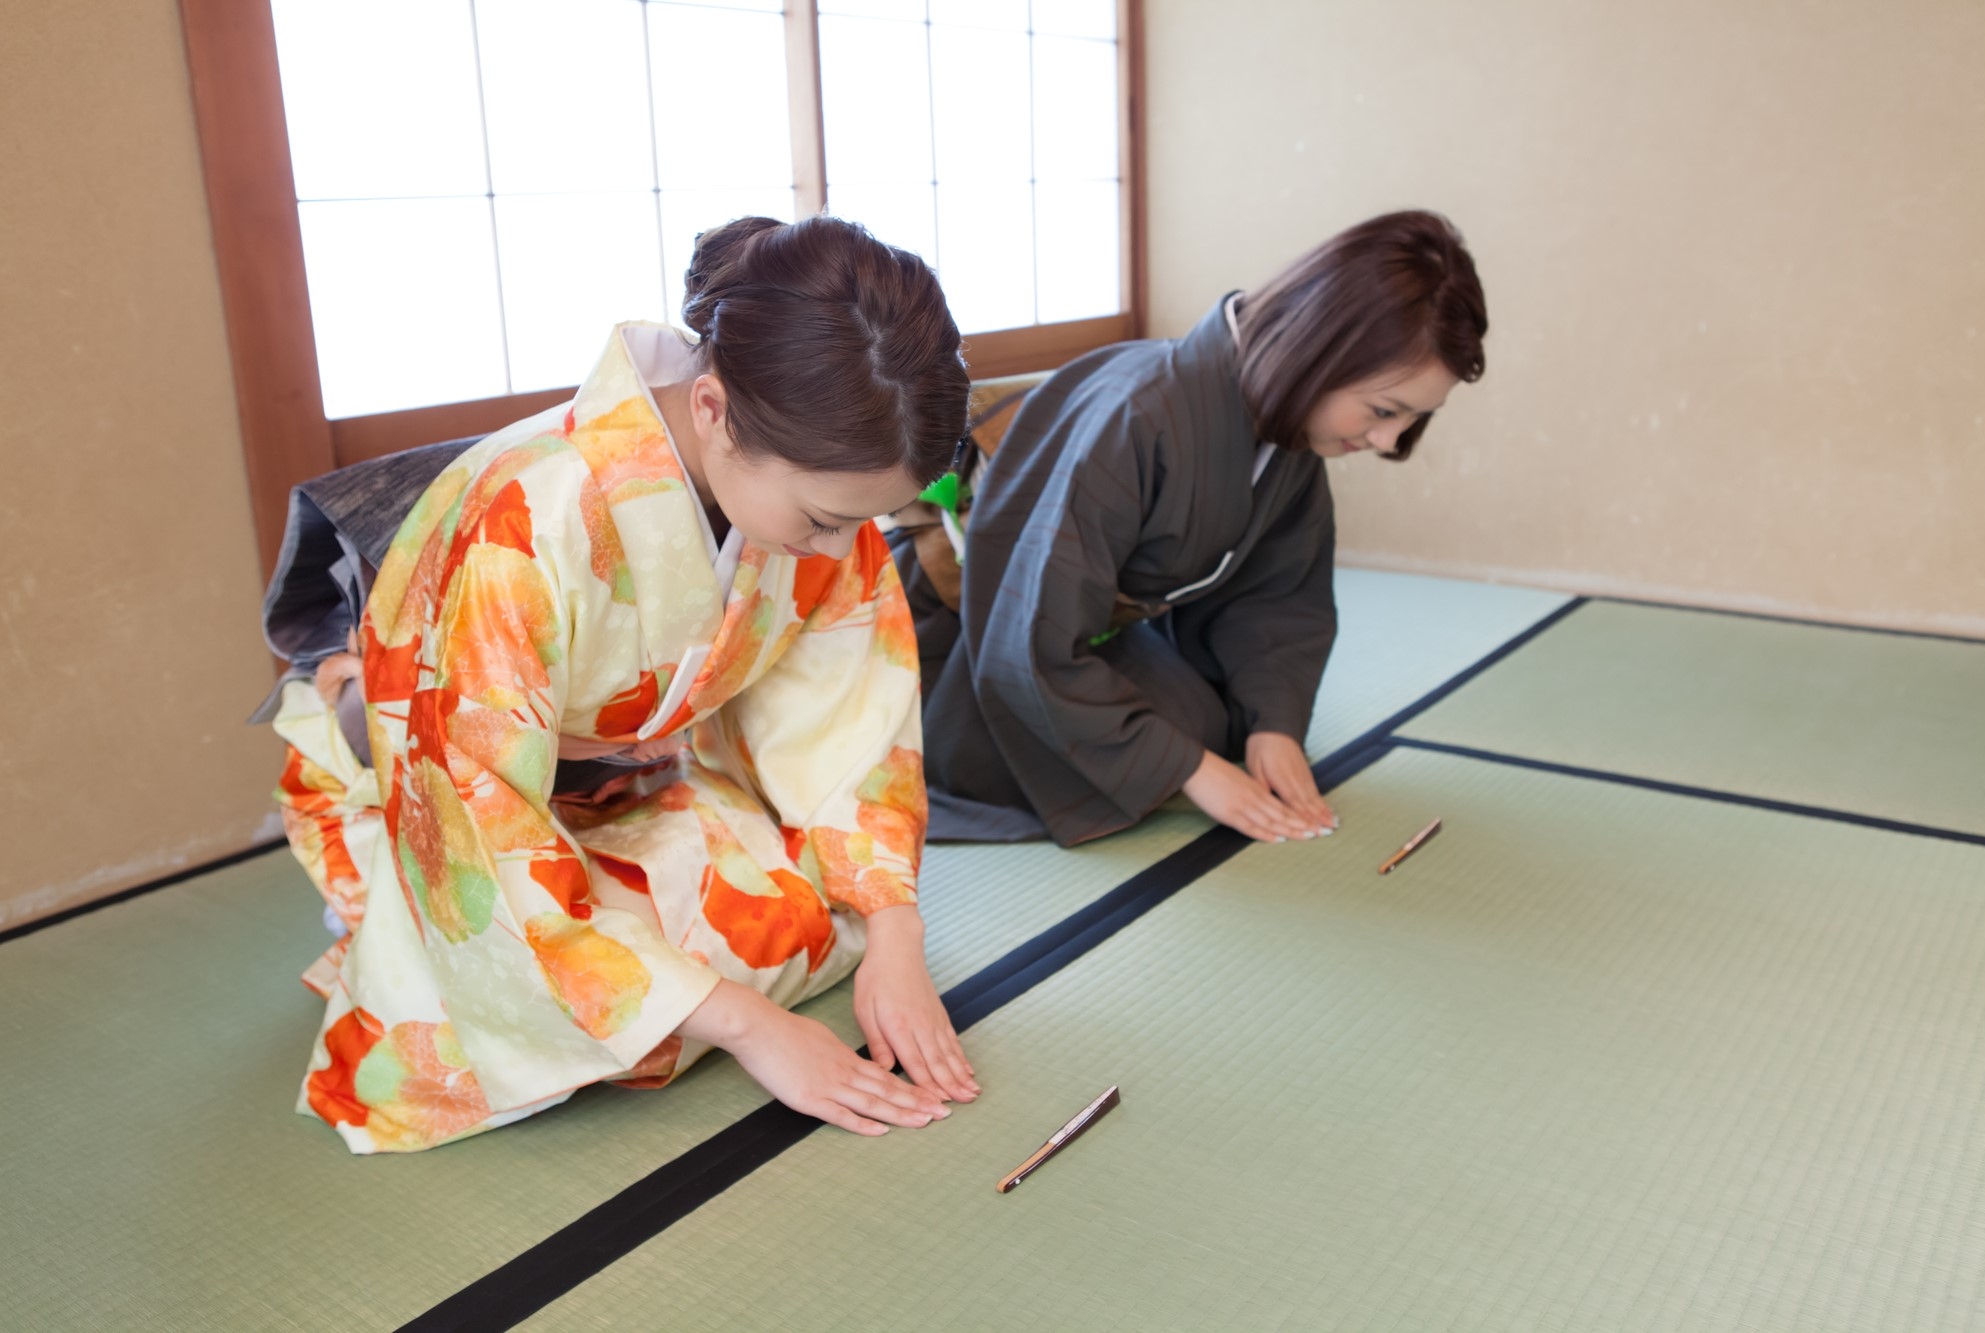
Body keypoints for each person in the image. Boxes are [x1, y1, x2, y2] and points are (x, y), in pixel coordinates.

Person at [265, 215, 980, 1153]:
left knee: (814, 915)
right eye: (820, 519)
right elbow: (472, 812)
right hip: (432, 801)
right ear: (715, 409)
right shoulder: (522, 518)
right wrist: (754, 1029)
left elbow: (847, 727)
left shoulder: (816, 503)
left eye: (867, 521)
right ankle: (374, 911)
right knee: (488, 1032)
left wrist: (897, 933)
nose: (843, 553)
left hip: (624, 776)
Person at [898, 210, 1487, 848]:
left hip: (1071, 625)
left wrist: (1275, 727)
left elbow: (1278, 595)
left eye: (1413, 419)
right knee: (1162, 749)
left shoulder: (1283, 429)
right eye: (1383, 410)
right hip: (956, 630)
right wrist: (1192, 772)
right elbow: (1026, 634)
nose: (1388, 439)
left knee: (1219, 721)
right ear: (1318, 351)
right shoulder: (1136, 415)